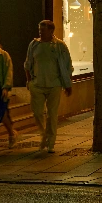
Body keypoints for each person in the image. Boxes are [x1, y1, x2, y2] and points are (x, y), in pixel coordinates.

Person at [24, 20, 73, 153]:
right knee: (37, 112)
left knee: (52, 114)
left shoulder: (59, 46)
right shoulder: (34, 45)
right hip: (38, 84)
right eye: (39, 29)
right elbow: (28, 63)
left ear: (51, 31)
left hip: (54, 84)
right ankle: (43, 133)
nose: (40, 32)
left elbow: (67, 65)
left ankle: (51, 142)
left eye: (43, 30)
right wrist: (29, 81)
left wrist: (67, 84)